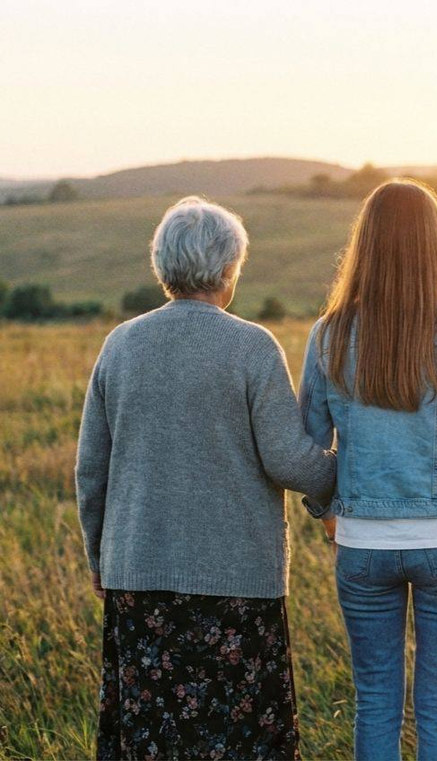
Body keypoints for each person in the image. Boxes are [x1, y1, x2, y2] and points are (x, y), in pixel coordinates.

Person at [75, 196, 337, 760]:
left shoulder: (119, 345)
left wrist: (101, 557)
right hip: (237, 587)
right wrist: (344, 474)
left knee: (152, 741)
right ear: (227, 270)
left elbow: (90, 470)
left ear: (163, 266)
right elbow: (290, 461)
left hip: (137, 578)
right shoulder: (251, 346)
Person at [298, 179, 437, 761]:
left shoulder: (329, 334)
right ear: (434, 245)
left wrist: (327, 512)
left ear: (364, 245)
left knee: (375, 701)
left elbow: (310, 446)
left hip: (363, 545)